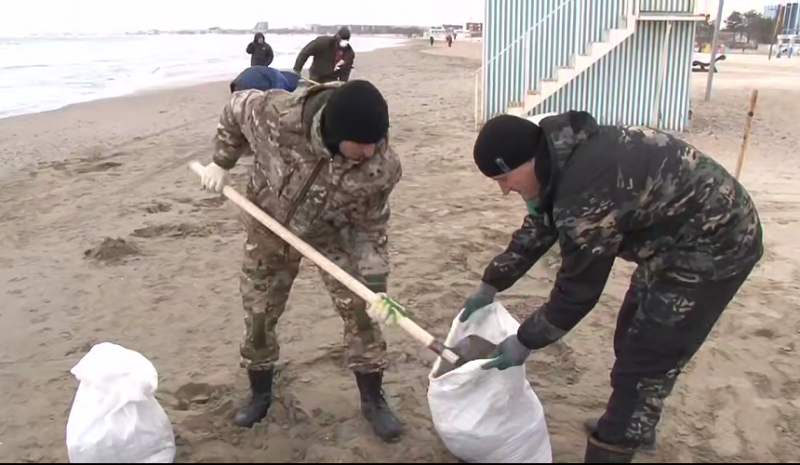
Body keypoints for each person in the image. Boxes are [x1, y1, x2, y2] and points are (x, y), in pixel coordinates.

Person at [463, 112, 763, 463]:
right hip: (673, 242)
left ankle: (623, 432)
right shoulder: (559, 159)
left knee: (645, 361)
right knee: (630, 330)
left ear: (528, 160)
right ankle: (637, 421)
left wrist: (524, 340)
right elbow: (542, 224)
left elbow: (577, 293)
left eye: (504, 178)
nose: (504, 190)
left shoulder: (585, 188)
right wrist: (490, 282)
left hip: (716, 245)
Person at [196, 79, 403, 443]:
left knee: (362, 314)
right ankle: (260, 391)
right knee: (259, 314)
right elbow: (234, 108)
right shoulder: (276, 117)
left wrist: (375, 288)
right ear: (336, 132)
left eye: (377, 141)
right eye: (363, 143)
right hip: (268, 226)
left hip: (332, 234)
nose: (371, 151)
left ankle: (373, 399)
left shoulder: (381, 166)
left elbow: (370, 228)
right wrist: (221, 162)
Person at [229, 66, 299, 93]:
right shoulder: (281, 78)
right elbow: (279, 90)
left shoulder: (273, 71)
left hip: (240, 80)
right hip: (251, 83)